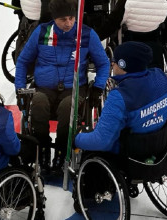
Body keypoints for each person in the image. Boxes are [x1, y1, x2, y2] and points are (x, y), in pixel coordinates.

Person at [15, 0, 110, 172]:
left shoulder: (87, 34)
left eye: (71, 18)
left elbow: (103, 64)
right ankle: (41, 148)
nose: (68, 23)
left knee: (69, 107)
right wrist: (20, 88)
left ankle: (62, 150)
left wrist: (98, 87)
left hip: (74, 88)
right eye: (63, 20)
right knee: (38, 103)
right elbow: (22, 61)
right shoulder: (41, 32)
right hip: (43, 87)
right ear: (54, 19)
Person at [75, 41, 167, 154]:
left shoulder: (120, 96)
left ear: (123, 64)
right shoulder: (161, 77)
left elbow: (101, 141)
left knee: (90, 147)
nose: (112, 64)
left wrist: (76, 139)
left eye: (115, 61)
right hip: (159, 146)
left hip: (129, 155)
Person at [91, 0, 167, 70]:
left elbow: (111, 25)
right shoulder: (166, 1)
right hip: (154, 47)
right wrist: (163, 42)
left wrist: (93, 38)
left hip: (128, 44)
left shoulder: (126, 2)